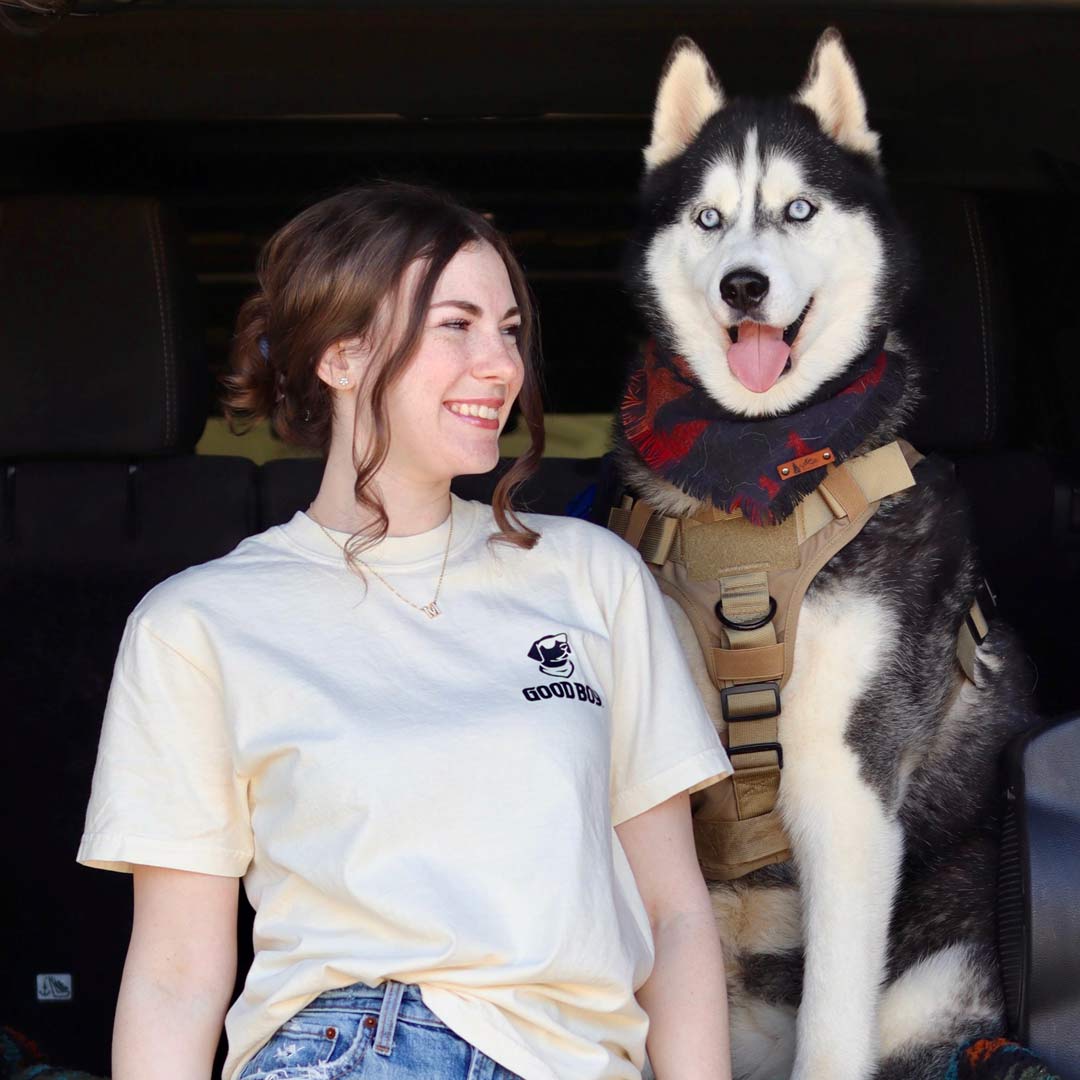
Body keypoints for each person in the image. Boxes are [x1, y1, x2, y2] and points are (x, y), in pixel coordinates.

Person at [76, 182, 734, 1080]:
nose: (501, 365)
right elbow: (177, 974)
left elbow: (676, 915)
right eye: (456, 325)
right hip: (352, 1047)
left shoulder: (589, 574)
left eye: (509, 330)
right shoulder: (199, 623)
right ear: (342, 358)